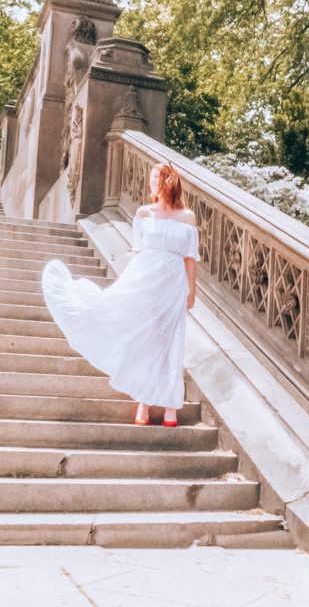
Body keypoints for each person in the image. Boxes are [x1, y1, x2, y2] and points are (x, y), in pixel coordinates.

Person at [41, 161, 200, 427]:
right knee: (147, 339)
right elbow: (138, 254)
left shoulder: (188, 217)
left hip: (173, 285)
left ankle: (171, 406)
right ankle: (144, 403)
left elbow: (190, 259)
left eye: (156, 178)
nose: (151, 183)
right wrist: (126, 285)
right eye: (150, 178)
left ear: (168, 181)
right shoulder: (143, 213)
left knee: (171, 341)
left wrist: (191, 289)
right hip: (146, 280)